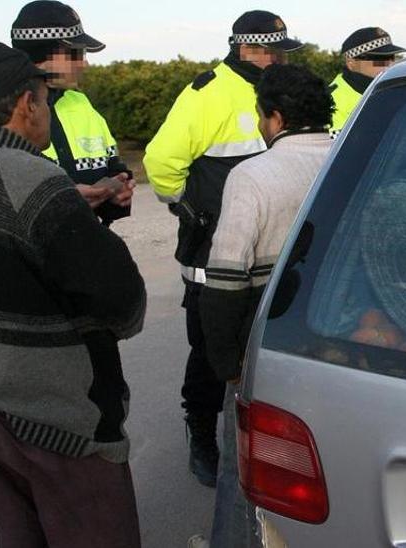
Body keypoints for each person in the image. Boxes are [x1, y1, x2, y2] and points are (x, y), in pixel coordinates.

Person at [0, 42, 147, 548]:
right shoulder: (35, 179)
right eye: (44, 103)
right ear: (26, 104)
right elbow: (124, 306)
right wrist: (74, 213)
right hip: (58, 420)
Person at [143, 9, 302, 489]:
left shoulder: (279, 90)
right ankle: (201, 432)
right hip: (217, 246)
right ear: (243, 48)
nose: (276, 58)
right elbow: (161, 161)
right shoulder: (208, 92)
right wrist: (190, 210)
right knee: (212, 347)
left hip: (273, 243)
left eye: (281, 50)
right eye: (269, 50)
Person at [193, 63, 336, 548]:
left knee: (247, 465)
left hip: (270, 339)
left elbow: (227, 278)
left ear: (274, 117)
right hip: (344, 339)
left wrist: (227, 363)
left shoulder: (252, 175)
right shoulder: (349, 159)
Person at [0, 0, 135, 227]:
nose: (84, 64)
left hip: (82, 247)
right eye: (75, 54)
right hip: (21, 256)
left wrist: (118, 189)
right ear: (42, 54)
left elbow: (111, 162)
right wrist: (57, 201)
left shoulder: (80, 102)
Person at [329, 27, 406, 133]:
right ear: (351, 63)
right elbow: (336, 144)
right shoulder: (331, 101)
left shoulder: (396, 90)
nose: (388, 63)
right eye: (379, 59)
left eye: (391, 56)